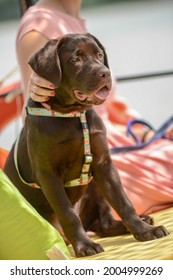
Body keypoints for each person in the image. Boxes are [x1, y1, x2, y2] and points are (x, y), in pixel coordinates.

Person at [16, 0, 173, 218]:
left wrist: (144, 132)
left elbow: (110, 105)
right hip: (84, 157)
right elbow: (33, 118)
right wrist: (35, 89)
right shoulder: (38, 27)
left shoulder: (70, 21)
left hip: (107, 139)